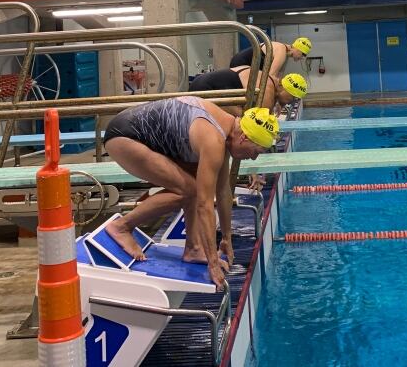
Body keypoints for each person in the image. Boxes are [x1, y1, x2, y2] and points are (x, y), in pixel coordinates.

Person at [103, 97, 279, 289]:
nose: (253, 158)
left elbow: (223, 192)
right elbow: (205, 204)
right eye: (255, 151)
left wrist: (227, 238)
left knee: (194, 186)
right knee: (189, 190)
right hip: (125, 137)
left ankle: (194, 249)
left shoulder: (227, 130)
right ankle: (122, 226)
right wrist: (213, 262)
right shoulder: (214, 140)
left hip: (140, 136)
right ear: (244, 137)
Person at [189, 67, 308, 116]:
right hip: (204, 91)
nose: (291, 101)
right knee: (244, 116)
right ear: (285, 88)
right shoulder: (266, 89)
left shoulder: (268, 78)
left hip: (199, 83)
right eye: (292, 97)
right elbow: (258, 121)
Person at [230, 36, 312, 78]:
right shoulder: (281, 50)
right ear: (297, 48)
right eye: (303, 54)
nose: (302, 58)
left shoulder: (285, 56)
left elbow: (278, 77)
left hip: (245, 64)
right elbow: (271, 76)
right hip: (240, 62)